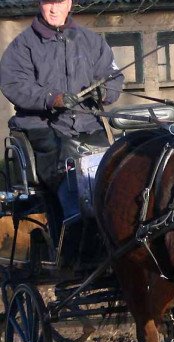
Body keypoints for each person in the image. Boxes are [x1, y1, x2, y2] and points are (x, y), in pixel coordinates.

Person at [0, 0, 124, 222]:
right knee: (69, 168)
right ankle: (74, 233)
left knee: (118, 162)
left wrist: (104, 92)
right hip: (42, 129)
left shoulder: (92, 41)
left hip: (88, 124)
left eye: (59, 3)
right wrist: (51, 99)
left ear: (69, 4)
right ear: (40, 4)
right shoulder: (22, 46)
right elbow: (14, 84)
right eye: (49, 3)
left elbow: (113, 77)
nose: (54, 9)